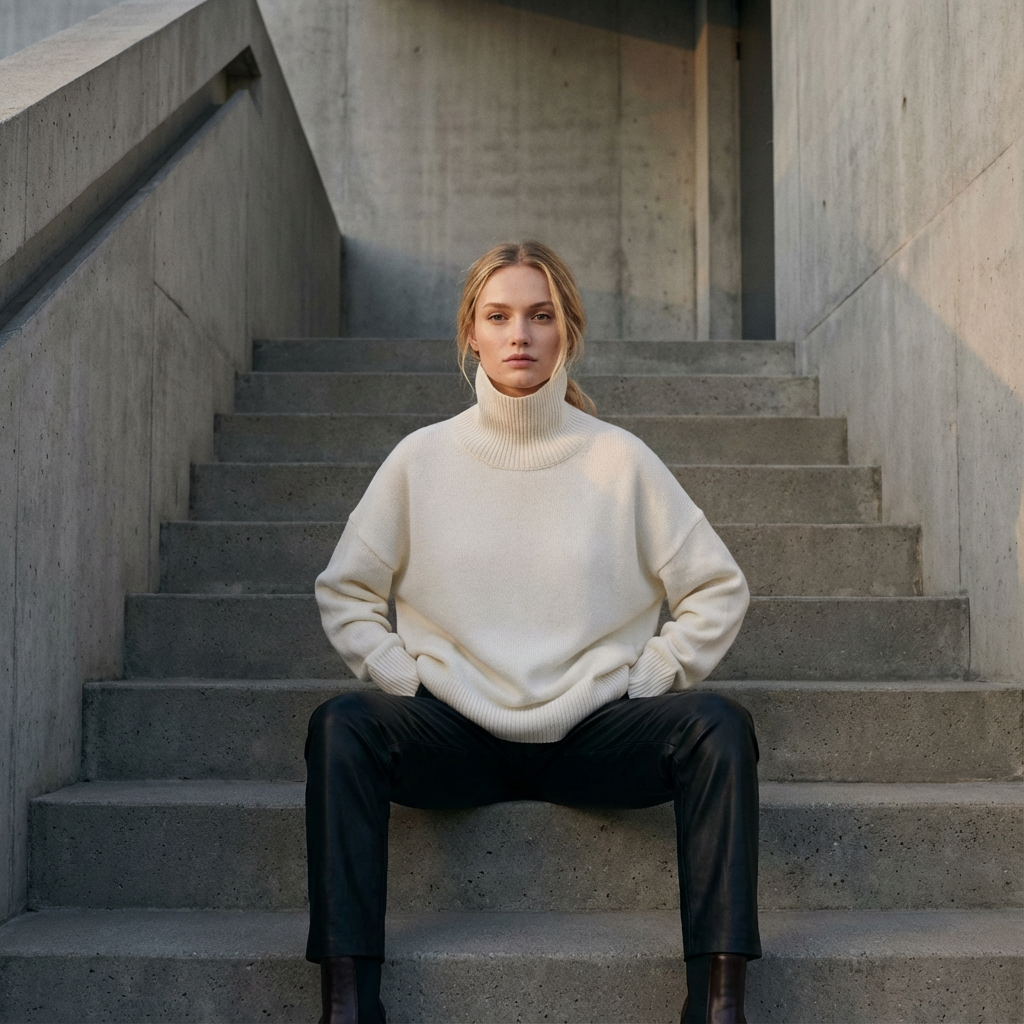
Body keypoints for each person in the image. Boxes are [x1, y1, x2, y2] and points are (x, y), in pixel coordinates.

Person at [306, 241, 760, 1024]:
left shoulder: (619, 460)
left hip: (592, 736)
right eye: (499, 316)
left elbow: (718, 586)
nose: (519, 334)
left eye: (540, 316)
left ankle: (719, 1005)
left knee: (720, 725)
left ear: (567, 333)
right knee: (341, 725)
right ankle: (349, 1005)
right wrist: (402, 674)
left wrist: (651, 674)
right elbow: (346, 590)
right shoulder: (422, 459)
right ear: (471, 334)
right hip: (455, 733)